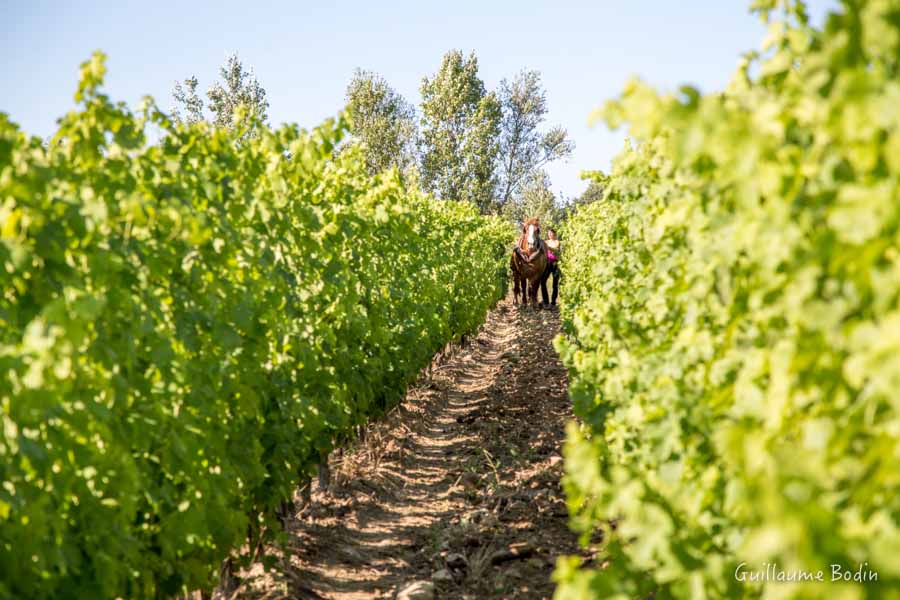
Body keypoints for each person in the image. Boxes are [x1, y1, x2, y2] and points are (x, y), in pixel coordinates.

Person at [540, 227, 561, 307]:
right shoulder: (546, 242)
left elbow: (555, 249)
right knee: (543, 281)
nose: (549, 234)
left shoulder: (557, 242)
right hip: (547, 263)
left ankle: (553, 302)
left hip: (555, 263)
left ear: (554, 234)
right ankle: (546, 301)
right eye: (548, 233)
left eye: (551, 233)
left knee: (555, 284)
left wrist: (547, 247)